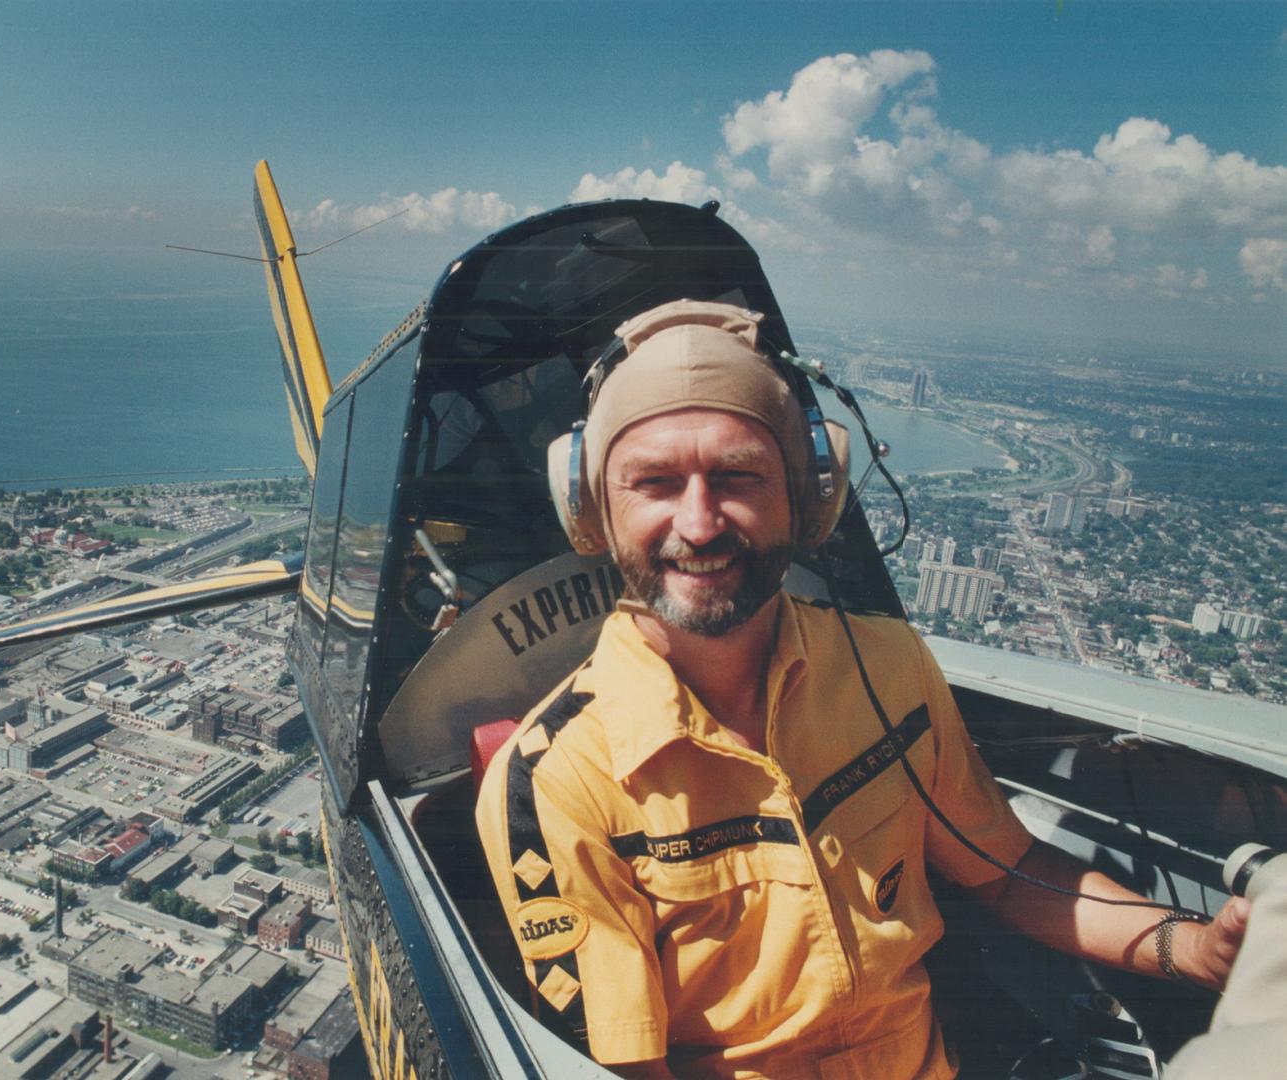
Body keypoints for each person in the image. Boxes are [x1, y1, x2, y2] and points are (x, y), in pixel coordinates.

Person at [474, 299, 1248, 1079]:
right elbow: (624, 1068)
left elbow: (1009, 873)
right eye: (656, 483)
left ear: (811, 497)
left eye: (740, 475)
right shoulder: (555, 780)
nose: (700, 522)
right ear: (594, 511)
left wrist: (1198, 948)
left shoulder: (887, 665)